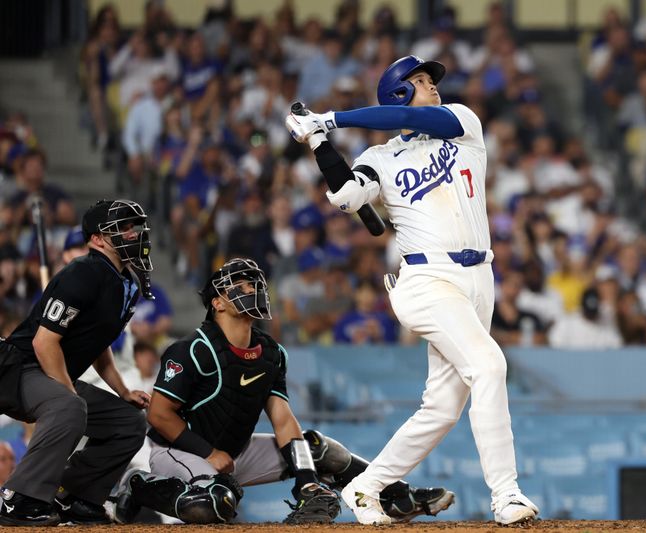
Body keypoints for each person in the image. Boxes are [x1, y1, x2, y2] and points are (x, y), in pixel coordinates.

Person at [285, 55, 539, 525]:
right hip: (426, 280)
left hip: (480, 278)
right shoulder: (379, 157)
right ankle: (506, 496)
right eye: (419, 81)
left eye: (428, 80)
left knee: (442, 407)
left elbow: (409, 119)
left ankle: (367, 485)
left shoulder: (462, 123)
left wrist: (331, 119)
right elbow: (346, 196)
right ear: (398, 91)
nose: (431, 87)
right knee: (488, 366)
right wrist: (320, 142)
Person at [114, 258, 454, 524]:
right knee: (214, 505)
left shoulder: (271, 353)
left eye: (253, 284)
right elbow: (158, 415)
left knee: (318, 448)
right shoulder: (192, 349)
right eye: (241, 285)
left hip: (234, 454)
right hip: (178, 451)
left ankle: (395, 496)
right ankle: (138, 486)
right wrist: (207, 452)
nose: (251, 289)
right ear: (217, 303)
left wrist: (306, 481)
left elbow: (283, 419)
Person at [0, 199, 153, 525]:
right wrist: (68, 394)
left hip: (42, 373)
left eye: (133, 227)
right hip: (16, 367)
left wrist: (123, 391)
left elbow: (100, 343)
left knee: (129, 422)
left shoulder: (127, 283)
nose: (132, 234)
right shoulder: (83, 272)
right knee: (70, 406)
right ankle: (19, 498)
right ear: (97, 239)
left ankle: (80, 496)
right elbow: (44, 342)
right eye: (122, 228)